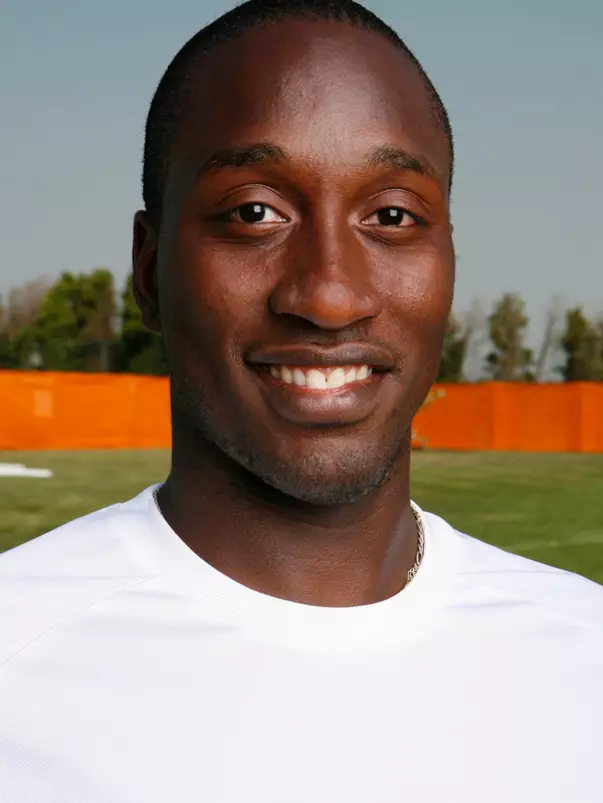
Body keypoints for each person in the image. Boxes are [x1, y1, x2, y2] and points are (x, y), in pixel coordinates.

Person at [1, 1, 602, 800]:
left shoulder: (582, 653)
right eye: (254, 213)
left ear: (448, 263)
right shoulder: (20, 655)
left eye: (391, 216)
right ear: (148, 272)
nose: (327, 294)